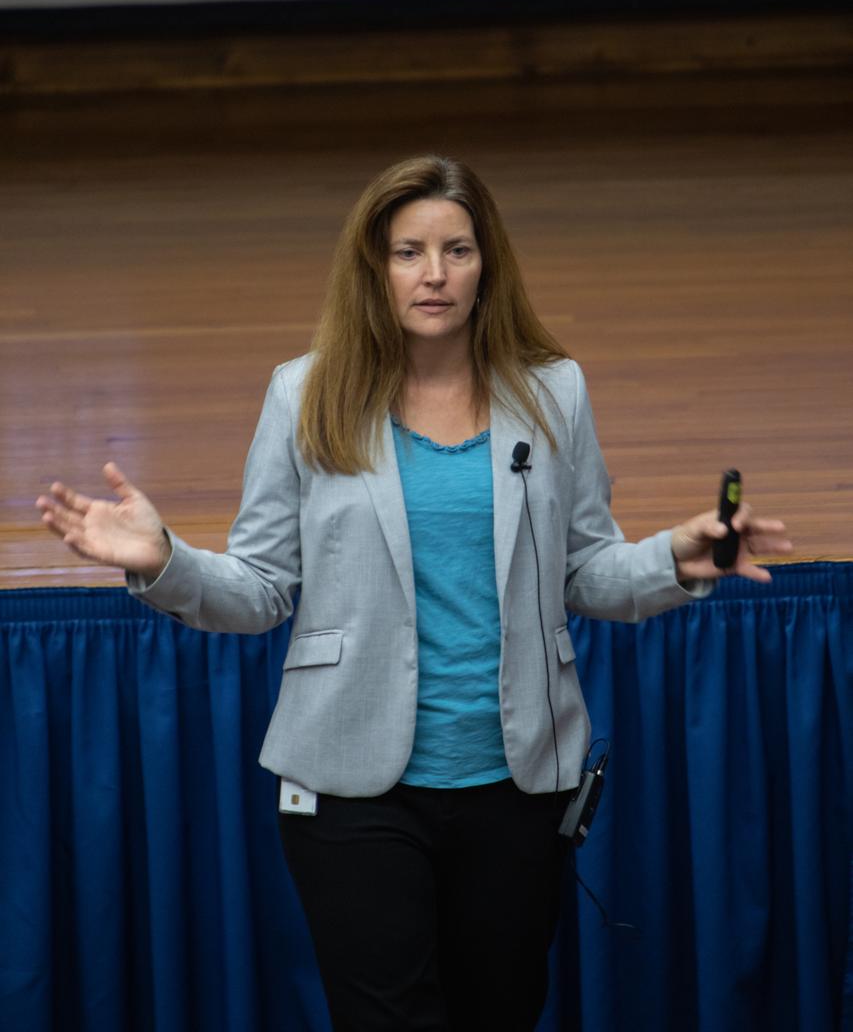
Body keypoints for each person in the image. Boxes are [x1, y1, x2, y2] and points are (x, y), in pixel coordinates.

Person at [36, 155, 792, 1032]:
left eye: (456, 250)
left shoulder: (553, 391)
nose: (433, 274)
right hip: (352, 790)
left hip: (517, 784)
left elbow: (585, 572)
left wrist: (677, 559)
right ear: (374, 267)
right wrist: (162, 557)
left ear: (487, 265)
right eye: (407, 252)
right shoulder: (305, 393)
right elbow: (258, 591)